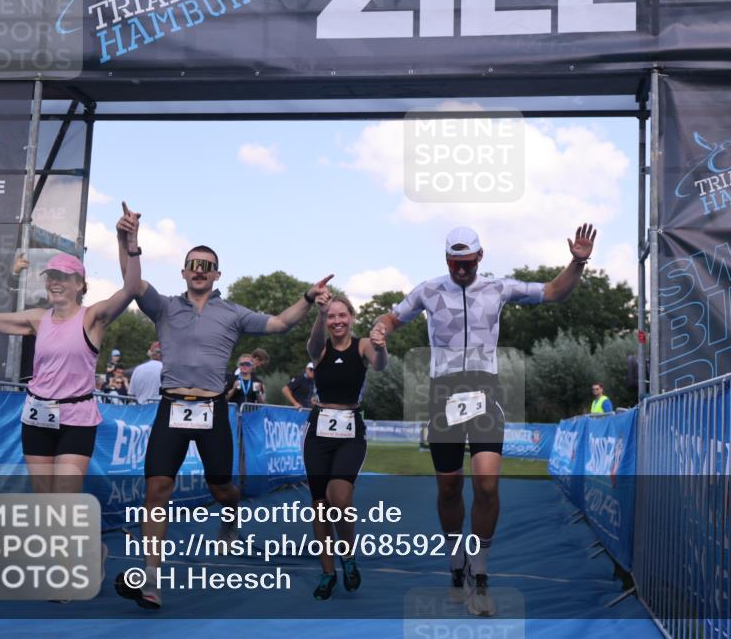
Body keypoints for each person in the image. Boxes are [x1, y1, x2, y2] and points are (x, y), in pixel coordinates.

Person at [110, 204, 332, 610]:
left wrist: (307, 297)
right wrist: (128, 239)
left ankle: (231, 514)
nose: (199, 269)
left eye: (207, 265)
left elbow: (281, 324)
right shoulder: (164, 306)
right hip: (171, 407)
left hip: (213, 412)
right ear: (183, 272)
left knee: (222, 488)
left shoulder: (232, 313)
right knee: (157, 489)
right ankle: (151, 579)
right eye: (193, 264)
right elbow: (131, 282)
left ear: (216, 275)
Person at [371, 224, 595, 616]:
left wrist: (576, 262)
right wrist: (380, 329)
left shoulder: (498, 288)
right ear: (447, 260)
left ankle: (480, 573)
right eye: (455, 263)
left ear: (480, 257)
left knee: (487, 485)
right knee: (449, 489)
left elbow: (553, 292)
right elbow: (392, 318)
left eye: (467, 262)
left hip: (484, 391)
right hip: (443, 395)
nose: (461, 269)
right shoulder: (428, 290)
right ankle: (455, 563)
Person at [0, 207, 142, 495]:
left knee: (65, 496)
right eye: (51, 276)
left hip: (76, 420)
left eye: (64, 277)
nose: (55, 281)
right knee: (45, 497)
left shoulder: (93, 318)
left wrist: (130, 243)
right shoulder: (37, 318)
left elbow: (131, 289)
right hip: (37, 416)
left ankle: (93, 543)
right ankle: (81, 542)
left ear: (80, 284)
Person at [304, 293, 387, 600]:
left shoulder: (362, 344)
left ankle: (348, 555)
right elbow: (312, 345)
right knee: (320, 505)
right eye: (331, 316)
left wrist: (381, 346)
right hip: (319, 431)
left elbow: (379, 365)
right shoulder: (321, 347)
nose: (336, 321)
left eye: (342, 315)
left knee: (339, 497)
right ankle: (328, 573)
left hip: (351, 430)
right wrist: (318, 312)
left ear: (351, 317)